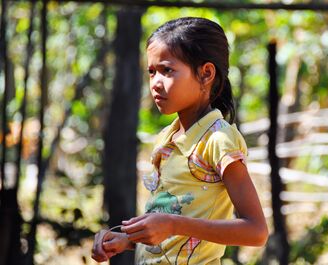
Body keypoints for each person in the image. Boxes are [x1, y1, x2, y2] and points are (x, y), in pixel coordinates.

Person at [92, 17, 268, 264]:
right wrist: (126, 240)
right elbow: (169, 223)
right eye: (152, 72)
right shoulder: (166, 138)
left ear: (206, 73)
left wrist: (173, 224)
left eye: (167, 70)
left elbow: (256, 231)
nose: (155, 83)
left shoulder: (218, 139)